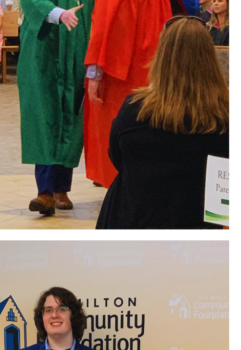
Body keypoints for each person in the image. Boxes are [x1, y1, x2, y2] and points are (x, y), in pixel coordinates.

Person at [96, 18, 228, 229]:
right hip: (197, 227)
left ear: (162, 57)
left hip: (132, 220)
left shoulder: (134, 109)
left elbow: (116, 157)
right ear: (210, 58)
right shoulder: (224, 116)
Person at [17, 0, 98, 216]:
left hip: (77, 57)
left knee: (70, 119)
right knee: (45, 118)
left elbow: (98, 17)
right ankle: (45, 192)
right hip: (43, 59)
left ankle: (62, 188)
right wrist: (58, 13)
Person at [83, 0, 172, 188]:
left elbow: (108, 22)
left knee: (116, 133)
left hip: (123, 71)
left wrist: (95, 70)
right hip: (155, 69)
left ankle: (119, 189)